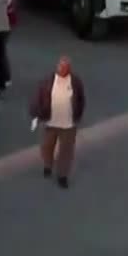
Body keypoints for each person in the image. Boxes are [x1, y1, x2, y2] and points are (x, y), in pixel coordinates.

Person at [29, 56, 86, 189]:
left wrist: (78, 115)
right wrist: (35, 114)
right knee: (46, 147)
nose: (60, 68)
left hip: (68, 125)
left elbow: (81, 99)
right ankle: (48, 165)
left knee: (66, 151)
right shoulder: (48, 81)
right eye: (59, 65)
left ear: (69, 69)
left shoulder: (75, 82)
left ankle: (62, 175)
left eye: (64, 66)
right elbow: (38, 98)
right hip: (50, 122)